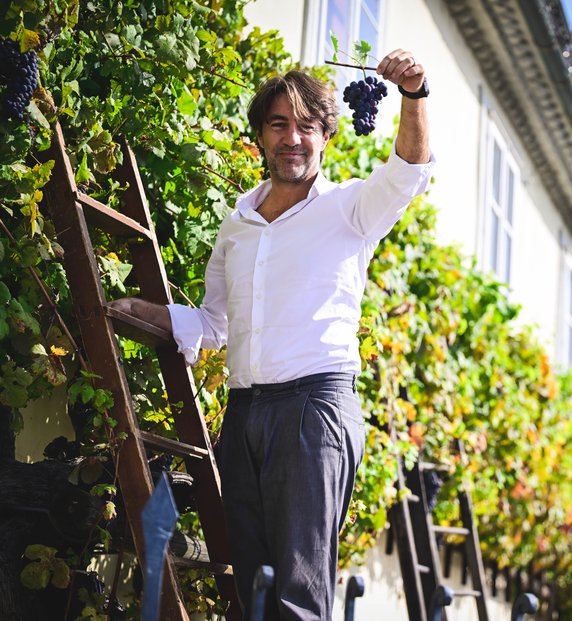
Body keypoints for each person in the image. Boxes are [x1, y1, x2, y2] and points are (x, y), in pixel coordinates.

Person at [110, 49, 433, 620]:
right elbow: (213, 326)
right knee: (249, 589)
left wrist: (413, 95)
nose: (293, 138)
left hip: (314, 411)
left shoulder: (350, 209)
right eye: (279, 124)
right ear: (261, 136)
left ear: (326, 137)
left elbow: (407, 171)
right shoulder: (236, 227)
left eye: (307, 126)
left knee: (296, 600)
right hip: (245, 416)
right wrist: (150, 313)